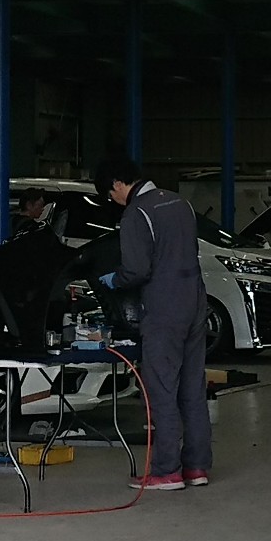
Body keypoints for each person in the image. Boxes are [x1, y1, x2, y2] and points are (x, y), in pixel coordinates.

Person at [93, 153, 210, 490]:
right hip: (195, 302)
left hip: (164, 308)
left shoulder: (136, 213)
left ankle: (166, 470)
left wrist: (113, 280)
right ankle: (196, 467)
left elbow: (137, 270)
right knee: (193, 387)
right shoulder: (180, 203)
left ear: (118, 183)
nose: (113, 200)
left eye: (110, 194)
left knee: (162, 388)